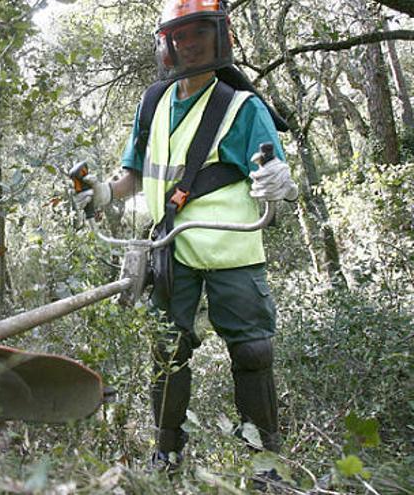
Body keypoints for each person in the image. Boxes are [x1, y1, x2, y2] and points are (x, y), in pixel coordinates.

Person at [73, 0, 298, 474]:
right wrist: (101, 193)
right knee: (166, 351)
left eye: (199, 32)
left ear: (220, 38)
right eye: (181, 36)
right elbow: (132, 175)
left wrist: (277, 180)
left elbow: (272, 171)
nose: (190, 43)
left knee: (253, 352)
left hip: (231, 248)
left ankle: (266, 464)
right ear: (167, 45)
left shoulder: (242, 105)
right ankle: (166, 453)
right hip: (170, 249)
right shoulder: (153, 102)